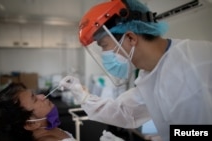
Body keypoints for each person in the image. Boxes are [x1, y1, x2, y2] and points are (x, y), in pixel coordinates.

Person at [59, 0, 212, 141]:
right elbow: (126, 112)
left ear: (131, 38)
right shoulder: (151, 72)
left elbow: (200, 132)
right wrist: (83, 97)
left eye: (104, 46)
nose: (104, 55)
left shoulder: (185, 70)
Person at [0, 82, 76, 141]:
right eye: (35, 99)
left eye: (35, 95)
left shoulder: (49, 130)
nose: (42, 96)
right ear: (31, 124)